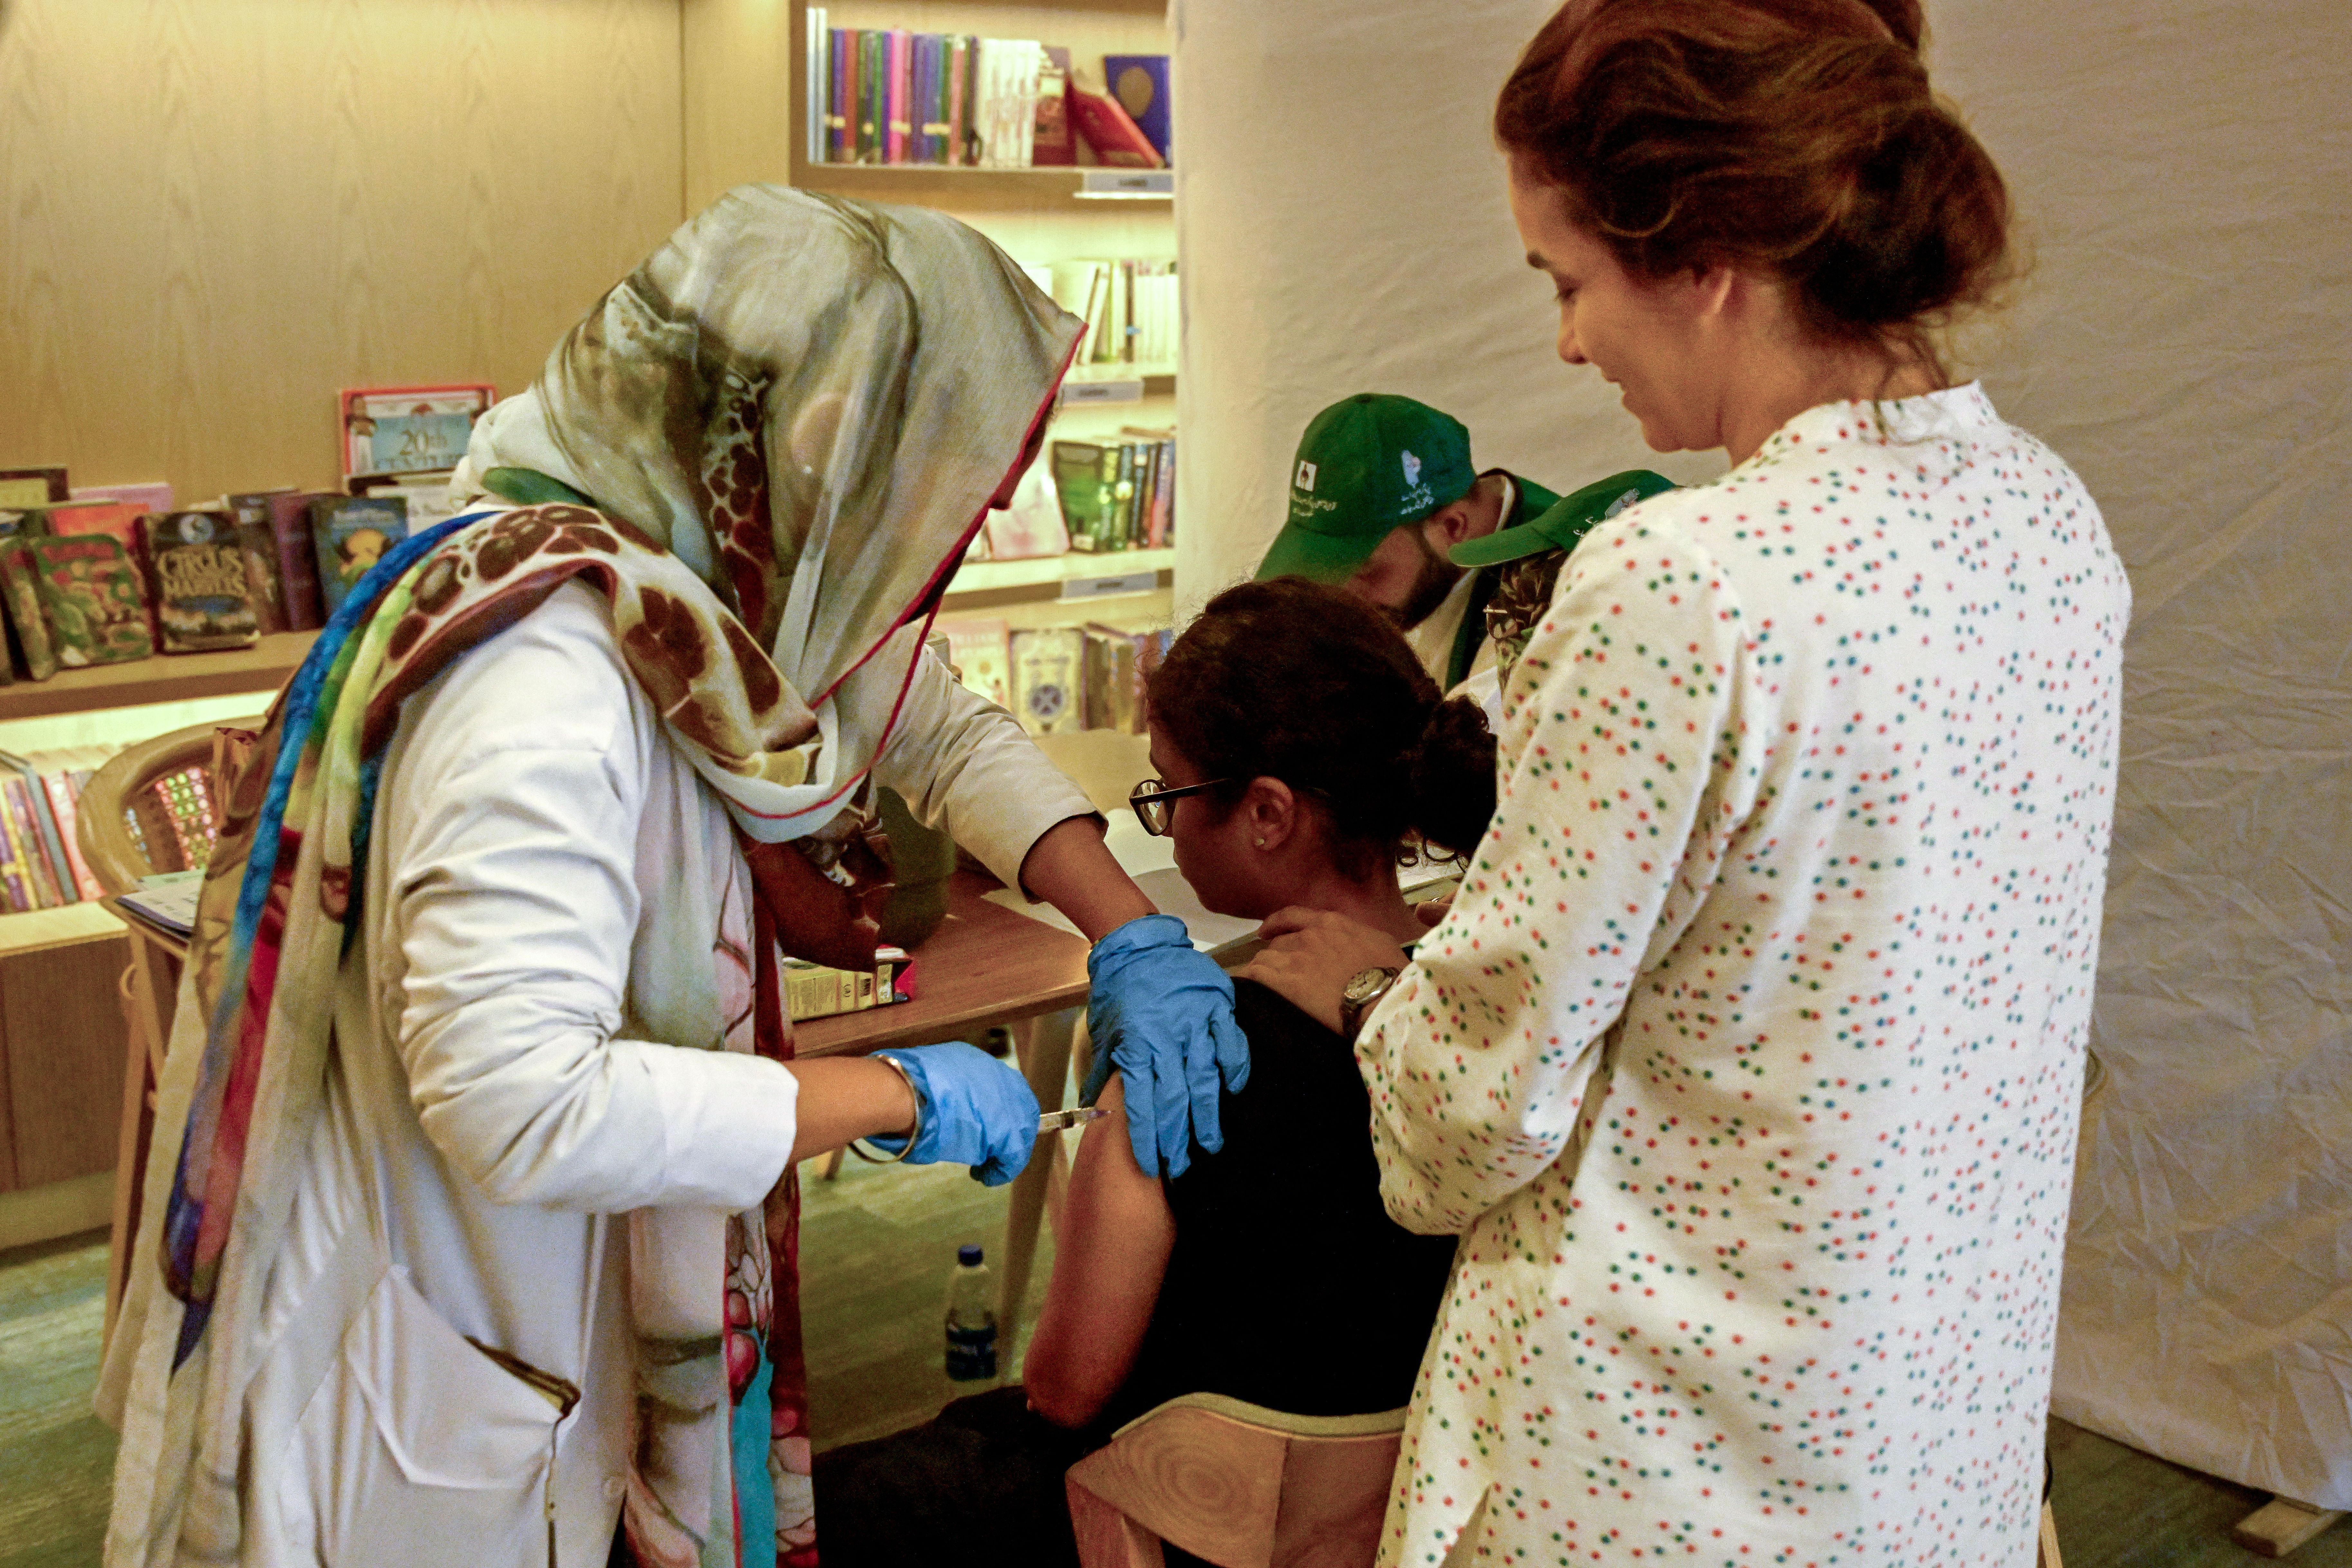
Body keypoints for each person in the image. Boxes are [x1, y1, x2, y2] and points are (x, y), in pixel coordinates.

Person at [97, 188, 1241, 1568]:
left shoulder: (673, 595)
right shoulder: (549, 677)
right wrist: (899, 1090)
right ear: (820, 444)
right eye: (935, 494)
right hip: (426, 1381)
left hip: (504, 1334)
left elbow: (929, 722)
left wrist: (1130, 931)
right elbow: (518, 1099)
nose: (958, 536)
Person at [1245, 3, 2133, 1564]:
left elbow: (1479, 1107)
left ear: (1707, 256)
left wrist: (1381, 998)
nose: (1569, 341)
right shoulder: (2046, 523)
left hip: (1667, 1463)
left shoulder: (1686, 581)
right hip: (1928, 1426)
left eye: (1570, 280)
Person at [812, 578, 1488, 1568]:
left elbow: (1066, 1388)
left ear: (1267, 812)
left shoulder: (1181, 1064)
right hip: (1394, 1518)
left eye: (1166, 794)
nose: (1159, 827)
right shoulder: (1488, 1023)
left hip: (1167, 1523)